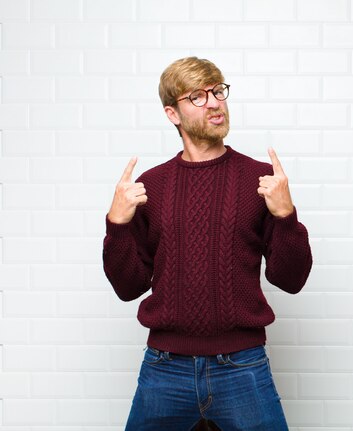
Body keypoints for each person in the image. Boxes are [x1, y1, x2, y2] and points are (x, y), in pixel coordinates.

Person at [102, 56, 313, 430]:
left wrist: (285, 215)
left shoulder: (260, 179)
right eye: (197, 96)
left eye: (218, 91)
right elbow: (128, 286)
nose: (214, 102)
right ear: (173, 113)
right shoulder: (153, 185)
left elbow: (291, 279)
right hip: (165, 367)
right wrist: (117, 225)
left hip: (242, 365)